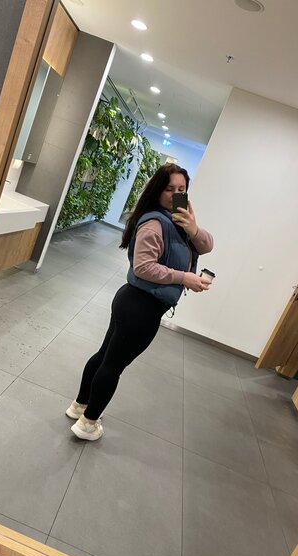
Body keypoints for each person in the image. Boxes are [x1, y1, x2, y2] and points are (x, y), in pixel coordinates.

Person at [66, 163, 214, 440]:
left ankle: (80, 406)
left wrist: (193, 228)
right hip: (141, 307)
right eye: (169, 189)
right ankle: (88, 424)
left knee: (106, 356)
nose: (176, 194)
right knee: (113, 365)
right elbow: (143, 267)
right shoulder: (155, 224)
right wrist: (184, 277)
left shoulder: (178, 222)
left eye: (181, 189)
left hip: (135, 303)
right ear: (157, 190)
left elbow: (207, 245)